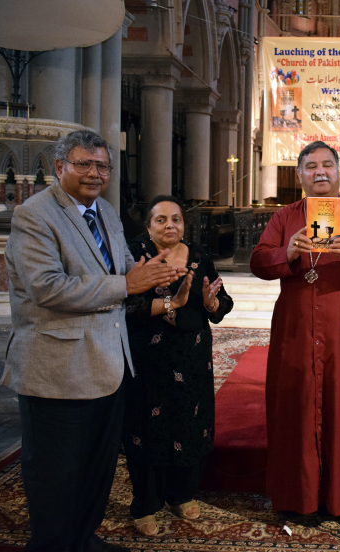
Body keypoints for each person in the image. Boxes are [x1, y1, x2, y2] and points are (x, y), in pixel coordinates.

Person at [2, 130, 186, 551]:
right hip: (57, 368)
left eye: (102, 165)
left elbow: (122, 266)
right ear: (59, 167)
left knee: (95, 469)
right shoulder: (35, 215)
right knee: (56, 474)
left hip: (107, 364)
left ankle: (82, 539)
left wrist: (153, 274)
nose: (94, 173)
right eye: (83, 164)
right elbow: (47, 288)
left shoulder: (103, 209)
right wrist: (127, 283)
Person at [250, 141, 340, 527]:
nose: (320, 172)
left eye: (327, 165)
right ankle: (295, 496)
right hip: (296, 328)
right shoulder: (285, 217)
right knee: (294, 408)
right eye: (311, 166)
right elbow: (259, 261)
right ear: (299, 175)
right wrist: (289, 254)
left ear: (338, 172)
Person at [122, 195, 234, 536]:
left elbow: (223, 299)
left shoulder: (198, 254)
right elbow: (123, 306)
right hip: (149, 360)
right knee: (149, 431)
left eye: (176, 219)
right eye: (161, 220)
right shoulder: (136, 253)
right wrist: (167, 302)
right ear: (148, 225)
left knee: (189, 423)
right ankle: (146, 505)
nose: (170, 225)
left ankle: (181, 494)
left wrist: (214, 305)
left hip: (193, 357)